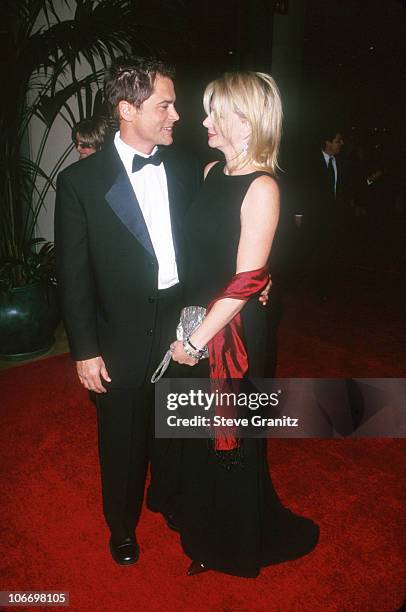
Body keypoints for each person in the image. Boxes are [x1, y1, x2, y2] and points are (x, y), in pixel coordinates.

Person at [148, 71, 319, 577]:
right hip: (194, 320)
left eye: (213, 113)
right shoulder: (209, 173)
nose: (202, 121)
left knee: (228, 438)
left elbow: (246, 281)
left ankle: (228, 542)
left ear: (244, 123)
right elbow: (204, 255)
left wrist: (195, 342)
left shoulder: (263, 186)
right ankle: (196, 517)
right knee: (191, 431)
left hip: (230, 333)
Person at [55, 56, 201, 566]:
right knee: (121, 439)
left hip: (180, 324)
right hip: (117, 332)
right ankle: (121, 526)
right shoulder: (80, 184)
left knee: (176, 424)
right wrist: (85, 350)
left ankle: (169, 497)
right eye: (165, 104)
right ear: (126, 109)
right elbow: (73, 277)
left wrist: (251, 280)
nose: (176, 115)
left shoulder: (181, 166)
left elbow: (203, 243)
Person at [294, 127, 348, 300]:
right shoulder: (309, 161)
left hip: (334, 217)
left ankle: (321, 290)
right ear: (328, 142)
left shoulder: (343, 162)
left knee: (328, 253)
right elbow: (300, 188)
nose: (341, 144)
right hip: (312, 216)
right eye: (338, 140)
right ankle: (296, 285)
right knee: (306, 251)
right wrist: (298, 212)